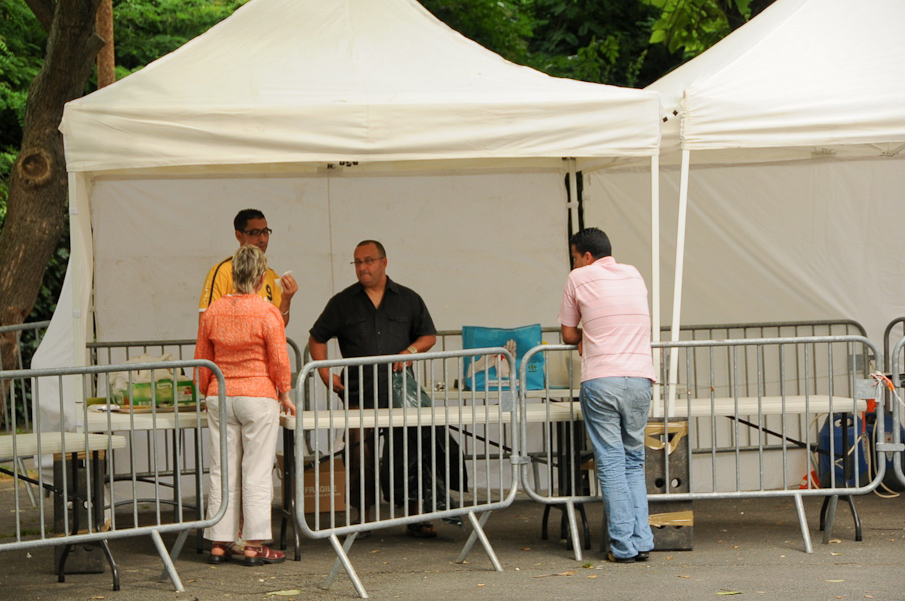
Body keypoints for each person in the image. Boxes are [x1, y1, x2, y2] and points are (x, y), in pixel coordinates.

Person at [308, 240, 440, 537]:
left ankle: (415, 515)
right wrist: (326, 375)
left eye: (368, 260)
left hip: (398, 394)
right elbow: (316, 338)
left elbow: (428, 336)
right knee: (359, 456)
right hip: (358, 394)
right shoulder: (342, 302)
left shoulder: (408, 299)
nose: (362, 267)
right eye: (357, 262)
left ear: (384, 262)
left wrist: (409, 352)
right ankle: (362, 517)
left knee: (407, 453)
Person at [558, 227, 657, 564]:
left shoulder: (579, 277)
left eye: (574, 257)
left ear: (585, 256)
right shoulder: (634, 274)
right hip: (641, 378)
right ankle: (642, 541)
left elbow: (569, 332)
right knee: (634, 461)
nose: (574, 263)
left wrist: (586, 332)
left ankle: (623, 546)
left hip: (602, 379)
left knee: (612, 464)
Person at [195, 245, 296, 566]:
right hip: (257, 396)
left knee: (222, 469)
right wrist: (284, 393)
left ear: (234, 274)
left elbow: (203, 359)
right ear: (261, 276)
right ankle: (253, 543)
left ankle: (219, 541)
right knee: (256, 471)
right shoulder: (267, 312)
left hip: (220, 394)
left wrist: (204, 390)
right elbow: (279, 359)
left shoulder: (213, 311)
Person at [199, 208, 299, 326]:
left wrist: (286, 300)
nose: (262, 239)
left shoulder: (271, 275)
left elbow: (278, 327)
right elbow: (205, 322)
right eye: (255, 233)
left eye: (265, 232)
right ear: (239, 235)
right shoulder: (222, 271)